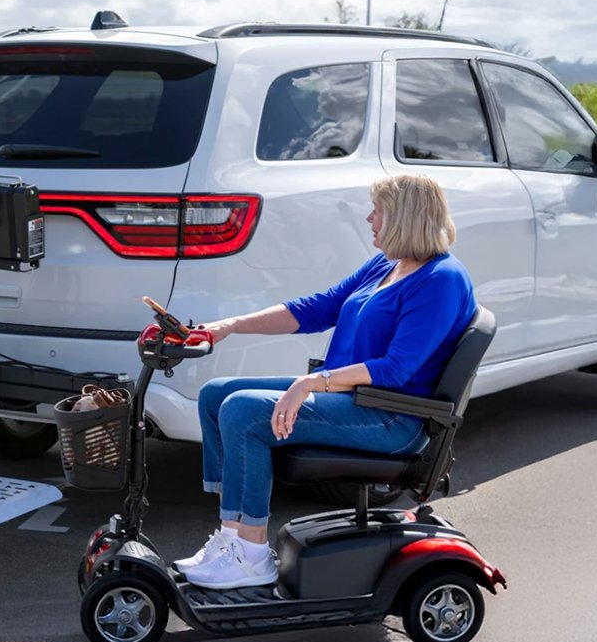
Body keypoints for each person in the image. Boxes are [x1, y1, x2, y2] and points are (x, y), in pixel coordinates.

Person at [176, 173, 477, 590]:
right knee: (215, 394)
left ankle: (251, 553)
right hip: (355, 398)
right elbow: (316, 309)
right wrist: (228, 326)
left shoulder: (441, 280)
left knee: (243, 411)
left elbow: (395, 369)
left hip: (390, 418)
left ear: (405, 218)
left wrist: (311, 383)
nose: (370, 219)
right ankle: (232, 539)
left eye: (379, 211)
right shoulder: (388, 264)